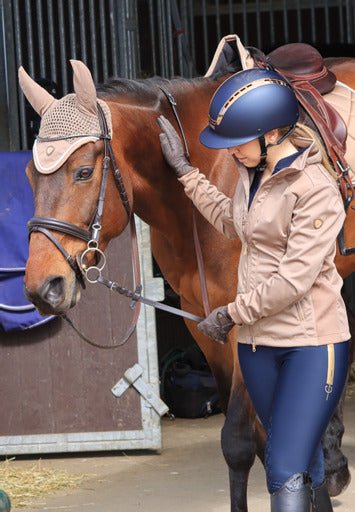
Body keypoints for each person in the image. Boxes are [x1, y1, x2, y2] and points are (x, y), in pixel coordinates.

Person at [157, 67, 350, 512]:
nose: (230, 154)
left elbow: (294, 281)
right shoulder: (254, 174)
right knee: (303, 461)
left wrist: (230, 313)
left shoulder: (314, 189)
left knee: (282, 466)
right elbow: (233, 221)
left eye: (237, 143)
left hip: (311, 345)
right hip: (258, 347)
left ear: (274, 132)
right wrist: (186, 172)